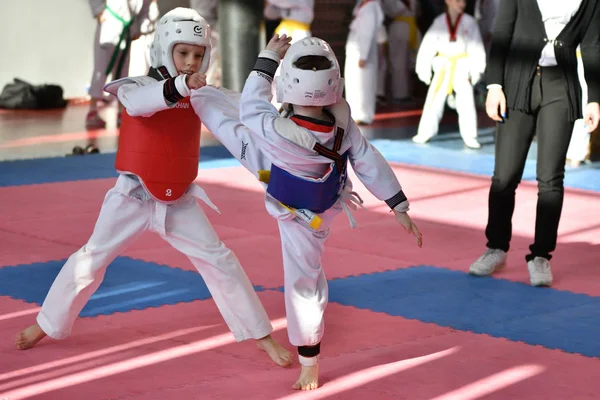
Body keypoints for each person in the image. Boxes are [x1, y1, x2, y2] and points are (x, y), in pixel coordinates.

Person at [15, 8, 292, 369]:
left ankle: (261, 336)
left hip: (180, 199)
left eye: (197, 54)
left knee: (220, 261)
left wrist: (269, 62)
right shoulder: (135, 87)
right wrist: (179, 87)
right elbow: (141, 104)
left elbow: (249, 106)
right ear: (163, 49)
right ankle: (46, 323)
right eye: (183, 53)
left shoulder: (201, 94)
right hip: (132, 196)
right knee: (90, 259)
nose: (191, 63)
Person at [192, 34, 423, 390]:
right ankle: (198, 93)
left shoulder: (273, 127)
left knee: (231, 122)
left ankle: (309, 360)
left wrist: (268, 56)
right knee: (306, 279)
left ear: (286, 84)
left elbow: (254, 103)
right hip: (319, 198)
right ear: (336, 84)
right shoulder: (343, 123)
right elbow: (367, 160)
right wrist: (398, 204)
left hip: (289, 196)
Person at [469, 0, 600, 286]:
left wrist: (594, 98)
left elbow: (592, 45)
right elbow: (502, 32)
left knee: (551, 178)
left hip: (560, 87)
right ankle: (496, 248)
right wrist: (494, 85)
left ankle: (541, 255)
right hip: (515, 83)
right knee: (504, 176)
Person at [412, 0, 486, 149]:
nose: (462, 4)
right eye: (458, 1)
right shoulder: (438, 22)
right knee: (433, 101)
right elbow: (427, 46)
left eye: (464, 1)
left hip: (462, 66)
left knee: (466, 103)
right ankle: (425, 132)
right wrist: (423, 68)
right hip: (443, 67)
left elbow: (476, 46)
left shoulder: (470, 22)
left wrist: (477, 69)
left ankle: (470, 136)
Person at [86, 0, 151, 129]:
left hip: (127, 28)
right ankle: (92, 110)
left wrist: (139, 27)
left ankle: (121, 112)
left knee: (123, 71)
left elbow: (145, 8)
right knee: (101, 69)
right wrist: (99, 10)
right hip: (109, 23)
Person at [345, 0, 385, 125]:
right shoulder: (362, 3)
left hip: (362, 51)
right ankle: (355, 113)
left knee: (363, 84)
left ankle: (363, 115)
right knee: (354, 83)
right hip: (356, 47)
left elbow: (367, 32)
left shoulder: (371, 6)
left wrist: (363, 55)